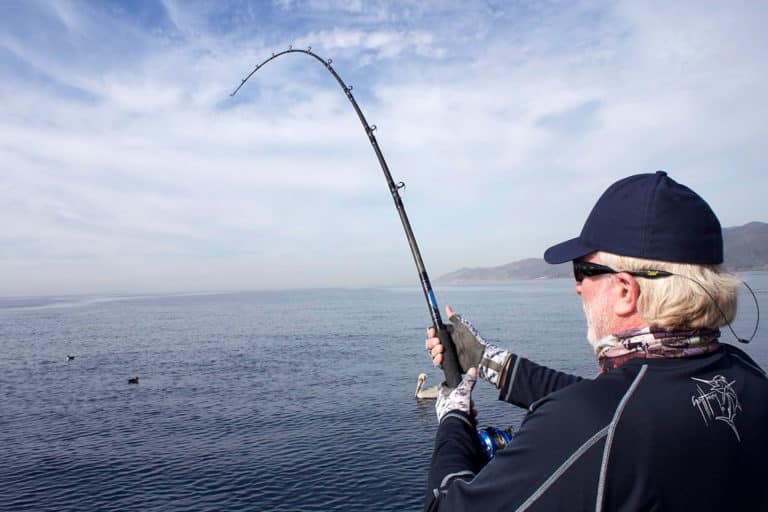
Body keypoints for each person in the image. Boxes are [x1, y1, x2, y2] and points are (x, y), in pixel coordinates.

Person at [423, 171, 768, 511]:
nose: (576, 287)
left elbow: (448, 506)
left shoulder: (597, 423)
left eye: (582, 271)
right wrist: (486, 361)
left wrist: (454, 416)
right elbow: (613, 405)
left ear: (624, 290)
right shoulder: (748, 376)